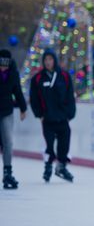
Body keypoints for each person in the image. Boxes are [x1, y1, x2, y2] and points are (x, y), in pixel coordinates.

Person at [29, 50, 76, 183]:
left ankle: (61, 166)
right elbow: (34, 99)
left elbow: (70, 96)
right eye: (46, 60)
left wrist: (70, 114)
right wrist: (40, 115)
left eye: (50, 59)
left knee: (64, 143)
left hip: (62, 118)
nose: (48, 62)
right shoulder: (38, 78)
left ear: (54, 60)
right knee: (49, 145)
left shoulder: (64, 76)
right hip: (47, 119)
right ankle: (48, 166)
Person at [0, 49, 27, 189]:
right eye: (1, 64)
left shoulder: (13, 73)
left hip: (6, 112)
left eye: (5, 64)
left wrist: (23, 108)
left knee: (8, 142)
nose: (3, 67)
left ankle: (7, 172)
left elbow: (17, 90)